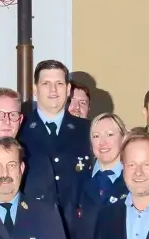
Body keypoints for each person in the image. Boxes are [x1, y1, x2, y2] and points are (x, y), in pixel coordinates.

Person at [21, 60, 94, 210]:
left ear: (68, 89)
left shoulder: (88, 130)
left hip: (77, 220)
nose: (53, 90)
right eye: (46, 84)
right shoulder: (19, 129)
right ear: (35, 89)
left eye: (59, 84)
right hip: (33, 218)